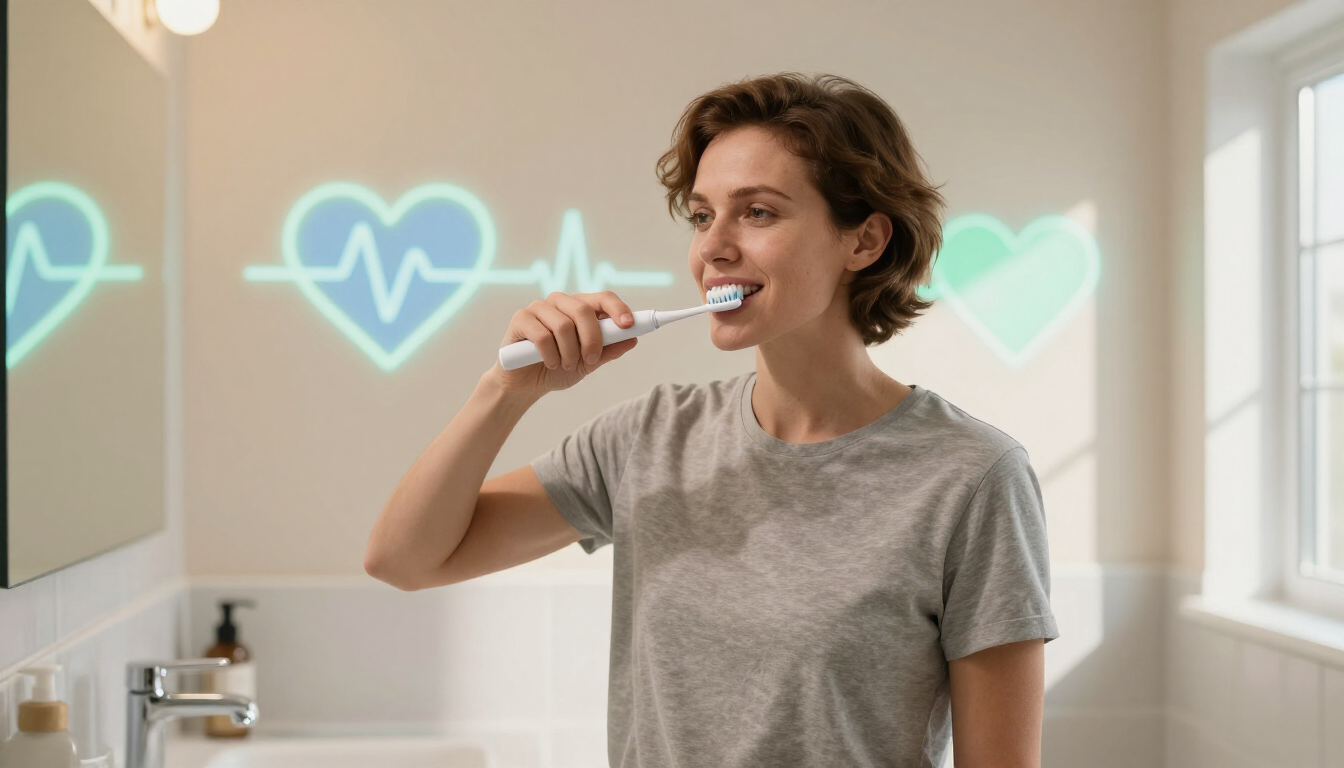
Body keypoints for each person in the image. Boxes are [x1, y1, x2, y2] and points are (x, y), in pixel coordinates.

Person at [365, 72, 1057, 768]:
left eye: (757, 213)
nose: (713, 248)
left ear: (864, 240)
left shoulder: (970, 477)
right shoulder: (649, 439)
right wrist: (505, 393)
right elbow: (404, 559)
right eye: (702, 216)